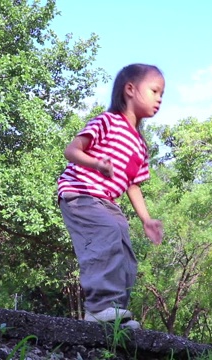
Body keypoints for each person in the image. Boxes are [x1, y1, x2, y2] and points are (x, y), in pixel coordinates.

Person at [57, 63, 165, 329]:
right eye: (154, 91)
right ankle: (98, 309)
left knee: (125, 253)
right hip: (80, 193)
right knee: (105, 236)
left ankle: (115, 313)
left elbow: (133, 185)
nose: (159, 99)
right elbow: (71, 150)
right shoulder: (107, 121)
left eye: (162, 94)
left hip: (107, 203)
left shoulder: (140, 145)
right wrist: (97, 164)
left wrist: (146, 220)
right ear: (130, 89)